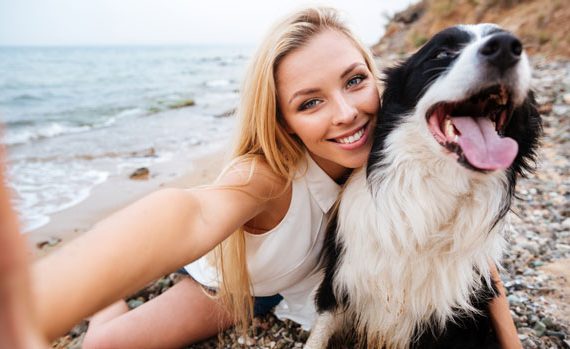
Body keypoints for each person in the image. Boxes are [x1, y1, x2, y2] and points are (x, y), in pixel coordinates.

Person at [0, 7, 521, 349]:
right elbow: (190, 213)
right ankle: (105, 301)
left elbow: (466, 247)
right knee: (104, 346)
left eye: (354, 81)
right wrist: (35, 303)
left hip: (316, 286)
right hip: (239, 287)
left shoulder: (402, 136)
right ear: (281, 120)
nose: (347, 113)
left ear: (376, 77)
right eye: (309, 102)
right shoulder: (267, 175)